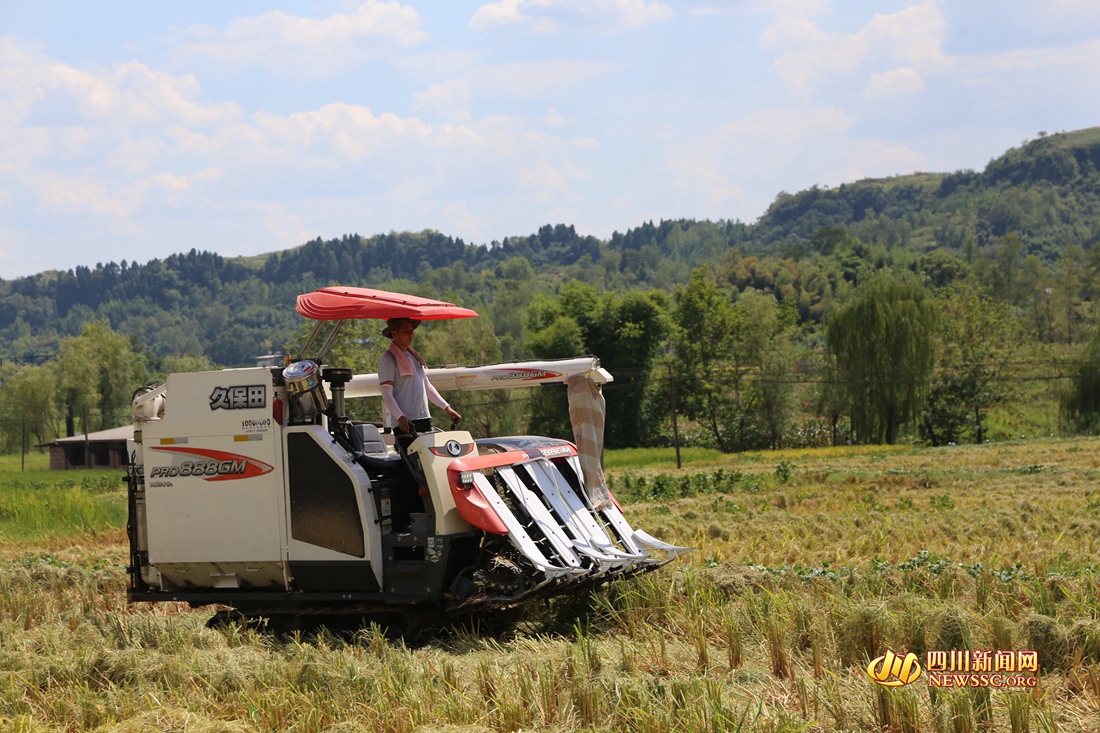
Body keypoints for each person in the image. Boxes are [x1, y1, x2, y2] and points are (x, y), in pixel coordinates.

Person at [378, 318, 462, 439]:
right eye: (405, 330)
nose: (410, 334)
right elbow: (386, 393)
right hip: (405, 423)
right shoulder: (388, 359)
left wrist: (446, 407)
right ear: (394, 333)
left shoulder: (415, 356)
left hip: (424, 418)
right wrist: (399, 416)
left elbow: (426, 386)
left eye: (411, 330)